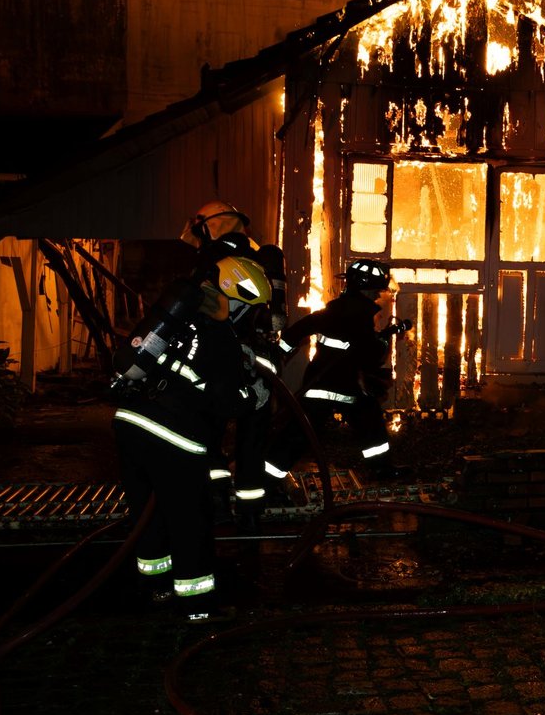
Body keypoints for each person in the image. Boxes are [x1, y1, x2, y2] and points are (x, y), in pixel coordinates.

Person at [111, 255, 272, 623]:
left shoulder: (180, 319)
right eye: (250, 309)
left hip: (130, 423)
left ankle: (156, 590)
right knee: (189, 522)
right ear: (235, 301)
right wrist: (255, 396)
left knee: (149, 517)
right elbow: (226, 401)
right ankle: (198, 609)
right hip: (174, 437)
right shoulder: (220, 335)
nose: (251, 318)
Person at [180, 200, 289, 531]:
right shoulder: (263, 258)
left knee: (206, 435)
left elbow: (190, 308)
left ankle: (217, 503)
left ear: (209, 226)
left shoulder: (210, 259)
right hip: (259, 365)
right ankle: (251, 514)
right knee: (252, 441)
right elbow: (276, 319)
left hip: (217, 362)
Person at [274, 258, 403, 481]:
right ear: (363, 288)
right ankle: (381, 469)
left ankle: (269, 476)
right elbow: (370, 354)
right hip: (340, 384)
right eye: (375, 290)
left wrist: (277, 354)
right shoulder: (360, 313)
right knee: (366, 423)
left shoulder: (335, 309)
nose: (377, 295)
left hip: (325, 382)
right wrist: (382, 343)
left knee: (301, 434)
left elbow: (298, 330)